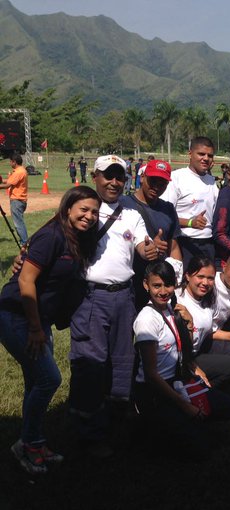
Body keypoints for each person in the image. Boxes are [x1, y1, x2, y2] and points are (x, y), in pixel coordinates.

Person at [0, 186, 100, 474]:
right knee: (48, 380)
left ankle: (33, 440)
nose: (89, 216)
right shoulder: (52, 236)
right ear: (68, 208)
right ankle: (28, 444)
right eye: (83, 209)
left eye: (94, 211)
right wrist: (34, 328)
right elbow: (25, 281)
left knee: (35, 381)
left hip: (38, 318)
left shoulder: (76, 238)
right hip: (17, 315)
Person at [68, 155, 156, 458]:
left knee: (122, 361)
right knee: (90, 363)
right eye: (108, 176)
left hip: (124, 299)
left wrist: (151, 248)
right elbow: (57, 235)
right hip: (91, 298)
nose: (114, 182)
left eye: (120, 177)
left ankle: (116, 425)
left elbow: (143, 248)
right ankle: (87, 433)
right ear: (95, 176)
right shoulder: (86, 209)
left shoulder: (131, 214)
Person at [132, 261, 230, 458]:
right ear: (146, 285)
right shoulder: (146, 319)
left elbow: (184, 349)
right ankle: (155, 427)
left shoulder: (172, 309)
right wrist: (185, 405)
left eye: (168, 285)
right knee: (200, 449)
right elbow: (151, 374)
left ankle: (182, 423)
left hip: (177, 381)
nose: (163, 291)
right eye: (157, 286)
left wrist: (188, 324)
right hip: (154, 391)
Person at [175, 257, 230, 390]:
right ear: (187, 276)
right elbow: (175, 348)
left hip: (198, 350)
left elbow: (210, 331)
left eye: (210, 278)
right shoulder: (178, 301)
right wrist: (193, 366)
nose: (205, 282)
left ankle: (203, 387)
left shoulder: (207, 299)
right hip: (181, 360)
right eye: (200, 276)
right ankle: (198, 390)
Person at [120, 159, 183, 311]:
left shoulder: (167, 208)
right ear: (142, 177)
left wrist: (175, 277)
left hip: (159, 283)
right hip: (132, 281)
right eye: (152, 180)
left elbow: (173, 246)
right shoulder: (123, 203)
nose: (156, 186)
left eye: (162, 183)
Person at [160, 137, 219, 268]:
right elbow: (164, 215)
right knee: (183, 284)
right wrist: (190, 222)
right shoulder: (177, 178)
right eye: (201, 154)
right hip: (184, 242)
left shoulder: (211, 181)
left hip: (209, 243)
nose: (206, 158)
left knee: (206, 284)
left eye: (210, 155)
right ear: (190, 154)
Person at [0, 153, 29, 246]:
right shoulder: (20, 170)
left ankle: (24, 242)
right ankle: (24, 241)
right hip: (20, 200)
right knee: (19, 222)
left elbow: (7, 185)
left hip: (17, 200)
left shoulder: (19, 172)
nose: (10, 163)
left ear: (14, 162)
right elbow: (9, 181)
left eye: (10, 161)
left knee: (18, 223)